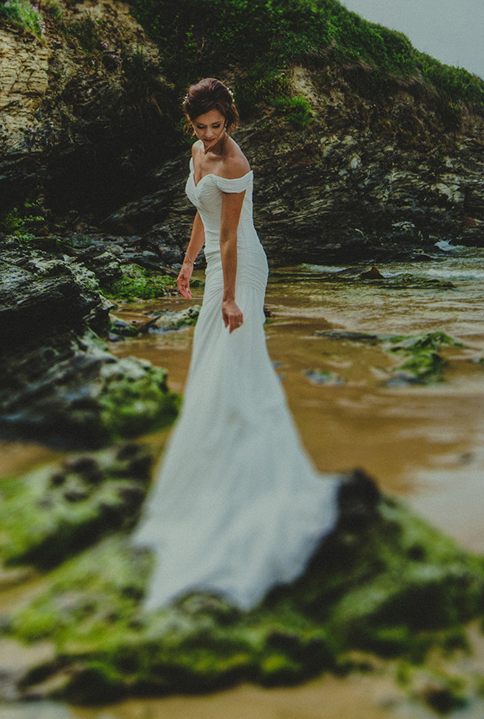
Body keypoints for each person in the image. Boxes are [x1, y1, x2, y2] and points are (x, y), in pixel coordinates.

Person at [129, 77, 341, 611]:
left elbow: (229, 233)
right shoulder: (197, 151)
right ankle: (215, 468)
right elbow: (202, 218)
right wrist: (184, 262)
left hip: (241, 267)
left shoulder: (235, 166)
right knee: (209, 360)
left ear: (230, 119)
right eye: (201, 127)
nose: (209, 135)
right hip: (216, 263)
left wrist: (227, 297)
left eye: (217, 126)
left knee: (234, 358)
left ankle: (252, 485)